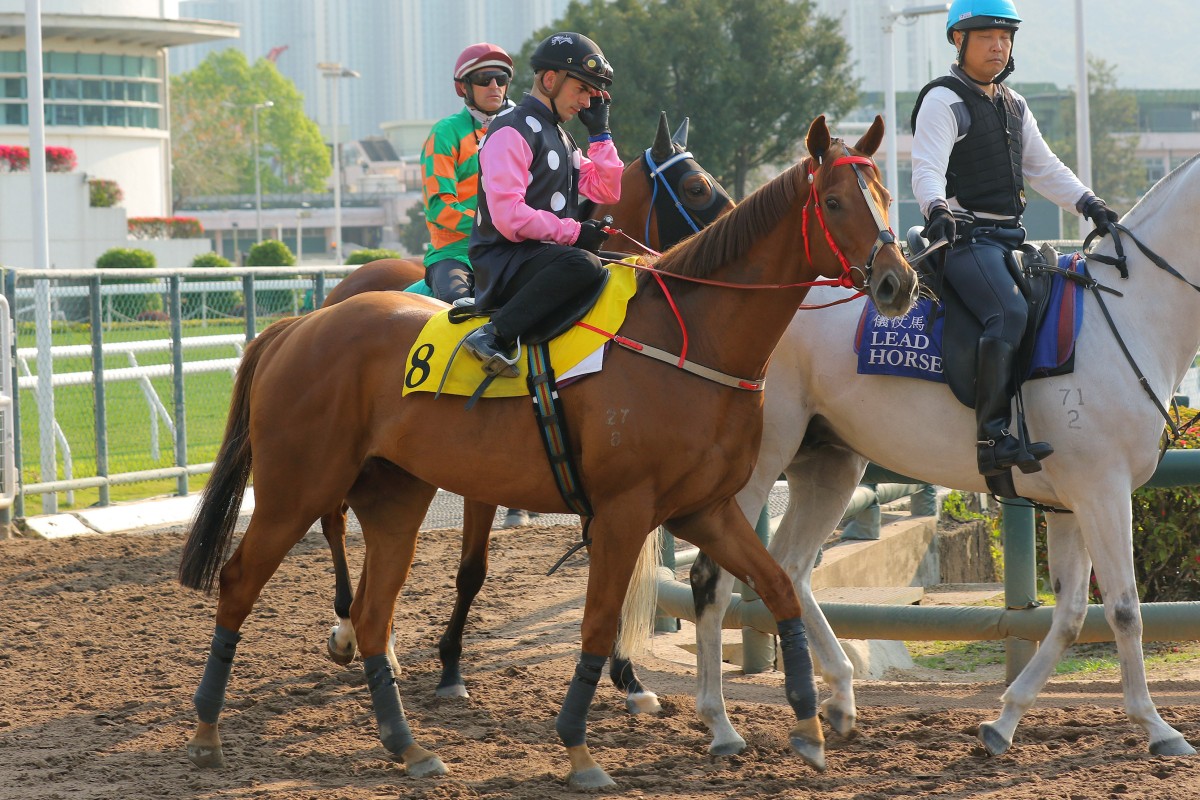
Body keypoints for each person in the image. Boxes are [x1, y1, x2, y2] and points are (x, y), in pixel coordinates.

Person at [910, 0, 1120, 478]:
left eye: (1006, 37)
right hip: (965, 239)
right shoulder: (943, 100)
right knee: (1008, 311)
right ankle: (992, 437)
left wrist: (1090, 204)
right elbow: (926, 168)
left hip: (1009, 240)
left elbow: (1044, 168)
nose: (999, 45)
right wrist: (936, 208)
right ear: (959, 41)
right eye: (986, 36)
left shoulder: (1014, 103)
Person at [463, 31, 623, 378]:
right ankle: (492, 335)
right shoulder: (510, 130)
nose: (586, 102)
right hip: (505, 262)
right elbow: (509, 218)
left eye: (592, 94)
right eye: (582, 89)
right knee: (585, 265)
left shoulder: (561, 136)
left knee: (628, 267)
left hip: (542, 259)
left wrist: (601, 135)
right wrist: (573, 232)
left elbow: (606, 190)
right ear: (551, 79)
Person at [420, 42, 514, 303]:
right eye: (484, 79)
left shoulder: (520, 130)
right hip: (456, 253)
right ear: (464, 87)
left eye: (501, 78)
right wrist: (493, 226)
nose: (494, 86)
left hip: (514, 248)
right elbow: (439, 206)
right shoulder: (446, 132)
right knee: (457, 301)